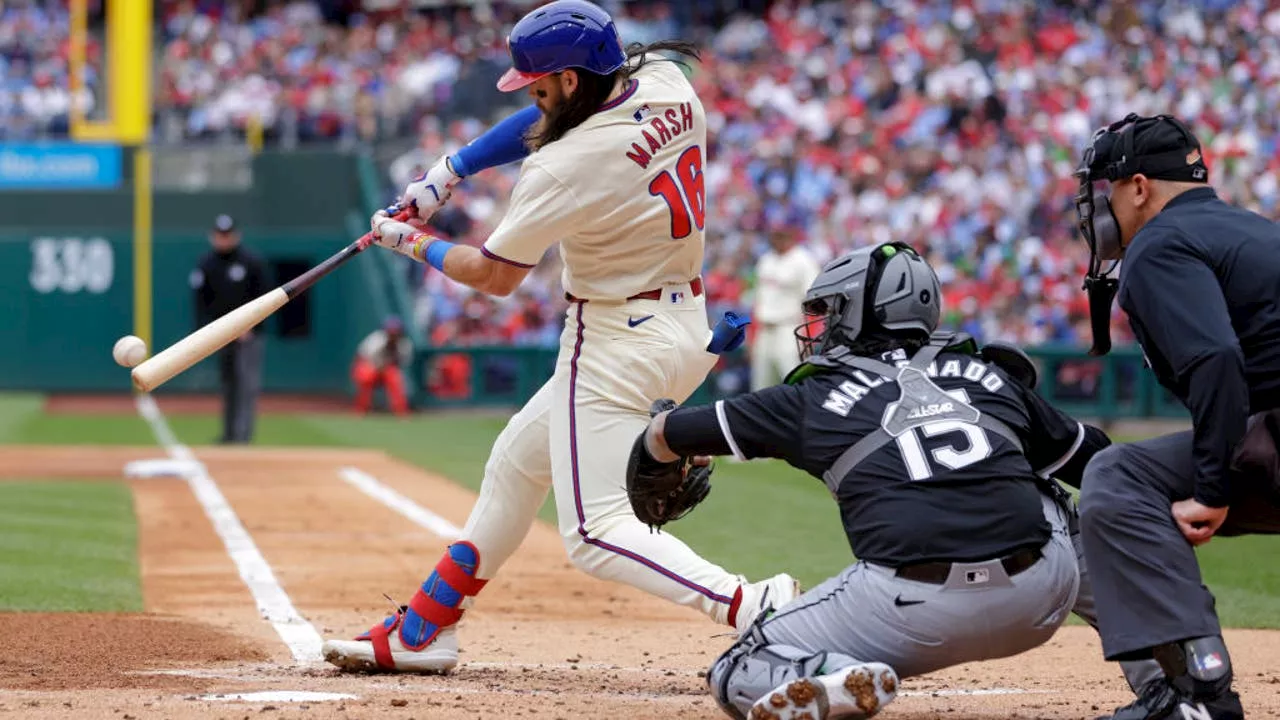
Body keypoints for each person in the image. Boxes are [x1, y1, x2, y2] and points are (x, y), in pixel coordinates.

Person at [321, 0, 797, 674]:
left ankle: (755, 607)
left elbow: (493, 276)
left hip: (612, 340)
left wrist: (410, 242)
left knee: (596, 533)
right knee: (516, 465)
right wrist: (448, 172)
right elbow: (550, 122)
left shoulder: (563, 167)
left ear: (572, 81)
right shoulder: (667, 81)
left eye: (541, 83)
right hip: (684, 328)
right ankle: (425, 630)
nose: (533, 96)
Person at [625, 243, 1125, 720]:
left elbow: (669, 432)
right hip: (1040, 595)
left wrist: (656, 455)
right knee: (1050, 491)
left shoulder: (809, 399)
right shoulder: (986, 374)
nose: (820, 327)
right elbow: (1102, 465)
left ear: (864, 311)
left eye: (832, 310)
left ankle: (836, 674)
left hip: (907, 614)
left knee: (736, 672)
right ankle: (1171, 678)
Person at [1071, 113, 1280, 720]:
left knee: (1117, 478)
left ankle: (1197, 694)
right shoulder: (1254, 232)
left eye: (1108, 187)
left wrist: (1212, 488)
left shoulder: (1161, 241)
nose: (1103, 204)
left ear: (1138, 187)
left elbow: (1216, 357)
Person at [189, 213, 267, 445]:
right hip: (220, 335)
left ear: (236, 235)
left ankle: (243, 436)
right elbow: (200, 302)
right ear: (213, 236)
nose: (223, 239)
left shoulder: (251, 262)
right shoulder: (206, 264)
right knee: (228, 385)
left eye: (227, 235)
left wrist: (251, 327)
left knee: (246, 385)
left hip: (248, 336)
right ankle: (229, 433)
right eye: (220, 235)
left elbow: (265, 298)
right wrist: (206, 332)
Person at [750, 214, 821, 391]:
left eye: (781, 233)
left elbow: (815, 302)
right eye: (774, 233)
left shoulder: (804, 260)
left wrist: (808, 336)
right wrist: (753, 335)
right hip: (765, 330)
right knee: (760, 388)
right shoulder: (766, 259)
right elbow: (759, 300)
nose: (776, 237)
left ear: (792, 233)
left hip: (789, 329)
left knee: (793, 384)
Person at [352, 315, 414, 416]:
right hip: (372, 366)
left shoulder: (404, 344)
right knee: (366, 375)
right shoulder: (376, 339)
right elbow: (363, 357)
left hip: (387, 369)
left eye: (395, 331)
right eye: (391, 331)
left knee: (394, 377)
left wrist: (391, 358)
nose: (393, 334)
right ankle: (360, 410)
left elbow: (403, 363)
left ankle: (401, 412)